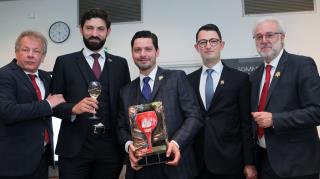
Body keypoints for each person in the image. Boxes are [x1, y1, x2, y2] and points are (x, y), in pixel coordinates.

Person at [50, 8, 131, 179]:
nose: (94, 33)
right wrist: (73, 109)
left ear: (108, 31)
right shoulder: (64, 62)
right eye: (89, 28)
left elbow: (126, 106)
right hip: (74, 148)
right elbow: (53, 105)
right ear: (81, 29)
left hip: (111, 149)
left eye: (100, 29)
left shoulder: (120, 64)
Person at [117, 30, 203, 179]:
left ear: (157, 51)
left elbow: (194, 116)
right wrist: (129, 145)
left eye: (148, 49)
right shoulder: (125, 91)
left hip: (176, 167)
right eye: (137, 50)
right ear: (132, 54)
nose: (142, 54)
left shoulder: (177, 78)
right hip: (140, 170)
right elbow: (120, 128)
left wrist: (176, 143)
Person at [250, 16, 320, 179]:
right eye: (259, 37)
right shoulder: (255, 75)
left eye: (269, 35)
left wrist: (275, 119)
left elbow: (317, 111)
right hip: (264, 162)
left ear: (282, 37)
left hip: (297, 165)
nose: (264, 40)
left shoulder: (302, 65)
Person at [187, 24, 257, 179]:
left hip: (231, 163)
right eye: (202, 42)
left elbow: (246, 124)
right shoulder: (188, 81)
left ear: (221, 44)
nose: (208, 46)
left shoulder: (240, 79)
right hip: (198, 164)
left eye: (213, 41)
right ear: (196, 47)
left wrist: (249, 162)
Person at [0, 30, 65, 179]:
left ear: (43, 57)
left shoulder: (45, 77)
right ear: (16, 52)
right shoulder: (4, 75)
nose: (30, 55)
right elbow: (8, 112)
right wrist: (47, 104)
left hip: (41, 158)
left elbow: (56, 106)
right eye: (25, 50)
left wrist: (74, 109)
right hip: (13, 162)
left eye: (36, 51)